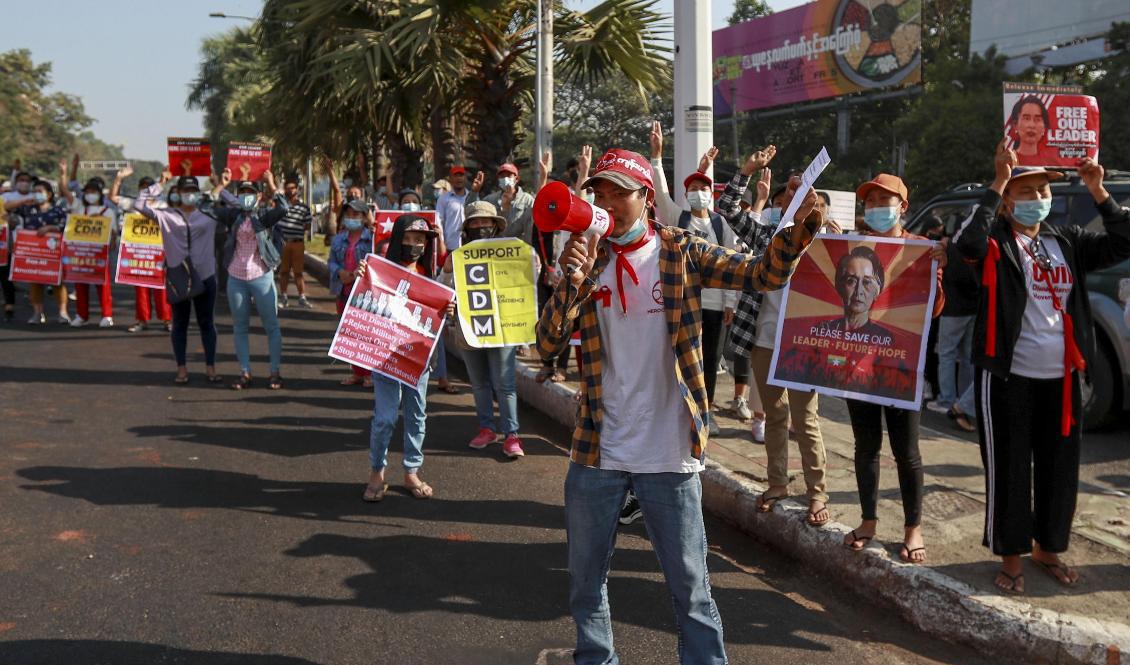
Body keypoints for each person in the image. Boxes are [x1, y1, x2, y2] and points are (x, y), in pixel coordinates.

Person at [537, 147, 823, 665]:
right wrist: (571, 278)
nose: (605, 203)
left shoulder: (682, 252)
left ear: (646, 198)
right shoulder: (589, 258)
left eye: (616, 193)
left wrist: (796, 233)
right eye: (598, 192)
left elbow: (761, 274)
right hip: (597, 451)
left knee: (691, 590)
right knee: (584, 584)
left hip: (669, 455)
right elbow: (550, 343)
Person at [954, 140, 1130, 594]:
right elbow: (966, 243)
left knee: (1059, 466)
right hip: (1008, 374)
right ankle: (1010, 556)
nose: (1037, 199)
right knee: (1010, 467)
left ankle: (1047, 547)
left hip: (1063, 376)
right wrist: (997, 179)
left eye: (1042, 191)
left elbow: (1123, 240)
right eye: (1026, 191)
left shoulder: (1065, 239)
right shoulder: (996, 240)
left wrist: (1098, 190)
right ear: (1009, 200)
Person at [715, 145, 836, 528]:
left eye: (806, 191)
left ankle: (817, 494)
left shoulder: (826, 245)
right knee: (775, 416)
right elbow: (729, 208)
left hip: (805, 345)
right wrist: (746, 170)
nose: (797, 197)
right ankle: (777, 484)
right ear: (783, 202)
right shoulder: (767, 235)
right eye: (791, 192)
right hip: (764, 342)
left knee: (806, 420)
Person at [841, 173, 946, 565]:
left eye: (885, 201)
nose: (877, 208)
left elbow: (934, 311)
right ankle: (868, 521)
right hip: (858, 366)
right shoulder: (851, 247)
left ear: (902, 207)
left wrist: (938, 270)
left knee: (907, 452)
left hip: (901, 366)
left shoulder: (922, 249)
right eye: (870, 202)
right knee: (865, 448)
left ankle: (912, 528)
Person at [649, 135, 740, 436]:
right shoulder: (679, 217)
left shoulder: (720, 224)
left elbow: (733, 262)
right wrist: (657, 158)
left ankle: (705, 411)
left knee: (710, 360)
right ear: (686, 193)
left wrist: (730, 303)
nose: (698, 192)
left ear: (711, 193)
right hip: (685, 302)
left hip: (715, 306)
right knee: (681, 355)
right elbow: (660, 194)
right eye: (693, 188)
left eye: (703, 188)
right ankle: (678, 409)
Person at [361, 214, 443, 502]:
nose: (414, 245)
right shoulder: (380, 273)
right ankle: (376, 472)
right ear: (397, 240)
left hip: (418, 360)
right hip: (385, 357)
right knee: (384, 418)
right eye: (407, 239)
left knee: (416, 414)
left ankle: (411, 471)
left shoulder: (429, 277)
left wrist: (448, 308)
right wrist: (364, 279)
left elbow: (436, 317)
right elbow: (364, 305)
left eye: (419, 240)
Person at [442, 201, 527, 458]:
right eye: (475, 223)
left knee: (505, 384)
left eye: (486, 222)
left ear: (495, 226)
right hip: (469, 330)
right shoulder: (456, 257)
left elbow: (522, 287)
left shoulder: (511, 253)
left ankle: (512, 435)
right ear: (468, 227)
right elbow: (443, 289)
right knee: (479, 384)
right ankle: (486, 429)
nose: (481, 227)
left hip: (502, 329)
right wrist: (447, 276)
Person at [134, 173, 223, 383]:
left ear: (198, 194)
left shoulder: (209, 215)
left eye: (193, 191)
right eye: (185, 191)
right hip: (179, 278)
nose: (189, 195)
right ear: (178, 193)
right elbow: (139, 205)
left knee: (207, 323)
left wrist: (219, 184)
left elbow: (234, 208)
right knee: (179, 324)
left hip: (205, 276)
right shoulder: (166, 215)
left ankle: (210, 367)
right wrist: (161, 182)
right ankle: (181, 368)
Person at [213, 169, 289, 391]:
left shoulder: (264, 215)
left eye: (250, 192)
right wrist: (221, 185)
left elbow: (284, 208)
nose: (246, 195)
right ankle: (244, 372)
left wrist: (271, 183)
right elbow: (207, 207)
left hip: (261, 275)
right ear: (238, 196)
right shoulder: (233, 215)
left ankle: (275, 372)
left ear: (257, 196)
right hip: (236, 277)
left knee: (271, 326)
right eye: (242, 192)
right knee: (240, 327)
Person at [927, 219, 981, 432]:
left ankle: (946, 400)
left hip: (953, 309)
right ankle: (963, 398)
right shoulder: (977, 247)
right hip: (973, 308)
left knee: (947, 355)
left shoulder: (952, 249)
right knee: (967, 357)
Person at [108, 166, 172, 332]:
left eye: (149, 187)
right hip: (138, 254)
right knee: (141, 289)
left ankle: (167, 320)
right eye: (143, 187)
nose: (146, 190)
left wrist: (164, 180)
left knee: (161, 288)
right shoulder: (132, 204)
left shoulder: (163, 205)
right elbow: (113, 197)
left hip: (158, 254)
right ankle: (142, 321)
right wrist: (119, 178)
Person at [14, 168, 70, 324]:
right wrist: (24, 200)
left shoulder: (58, 210)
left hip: (53, 253)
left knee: (58, 282)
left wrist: (50, 228)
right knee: (35, 282)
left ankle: (63, 312)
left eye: (40, 191)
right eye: (34, 191)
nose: (36, 194)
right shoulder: (28, 209)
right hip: (33, 252)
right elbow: (8, 208)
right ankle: (37, 313)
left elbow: (66, 227)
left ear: (49, 194)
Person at [328, 199, 375, 388]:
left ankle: (370, 373)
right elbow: (331, 261)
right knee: (349, 332)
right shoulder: (339, 238)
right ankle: (357, 373)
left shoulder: (372, 238)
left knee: (366, 333)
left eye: (356, 214)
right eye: (348, 214)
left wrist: (358, 274)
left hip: (365, 293)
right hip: (343, 290)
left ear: (364, 217)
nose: (351, 218)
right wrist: (340, 273)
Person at [65, 171, 119, 328]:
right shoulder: (80, 210)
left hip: (99, 254)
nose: (90, 195)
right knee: (80, 285)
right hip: (80, 253)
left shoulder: (107, 211)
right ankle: (82, 315)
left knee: (103, 285)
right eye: (87, 192)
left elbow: (114, 233)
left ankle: (107, 315)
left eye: (93, 192)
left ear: (100, 194)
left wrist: (101, 223)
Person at [275, 176, 314, 309]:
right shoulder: (280, 205)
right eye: (287, 188)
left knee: (298, 272)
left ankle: (302, 297)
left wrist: (296, 228)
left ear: (297, 190)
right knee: (284, 271)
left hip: (298, 243)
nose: (290, 190)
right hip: (283, 243)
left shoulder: (304, 207)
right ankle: (284, 297)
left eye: (292, 188)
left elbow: (308, 225)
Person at [1007, 95, 1059, 166]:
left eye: (1037, 119)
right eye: (1026, 118)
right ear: (1015, 125)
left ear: (1044, 127)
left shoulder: (1051, 162)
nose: (1032, 125)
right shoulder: (1008, 160)